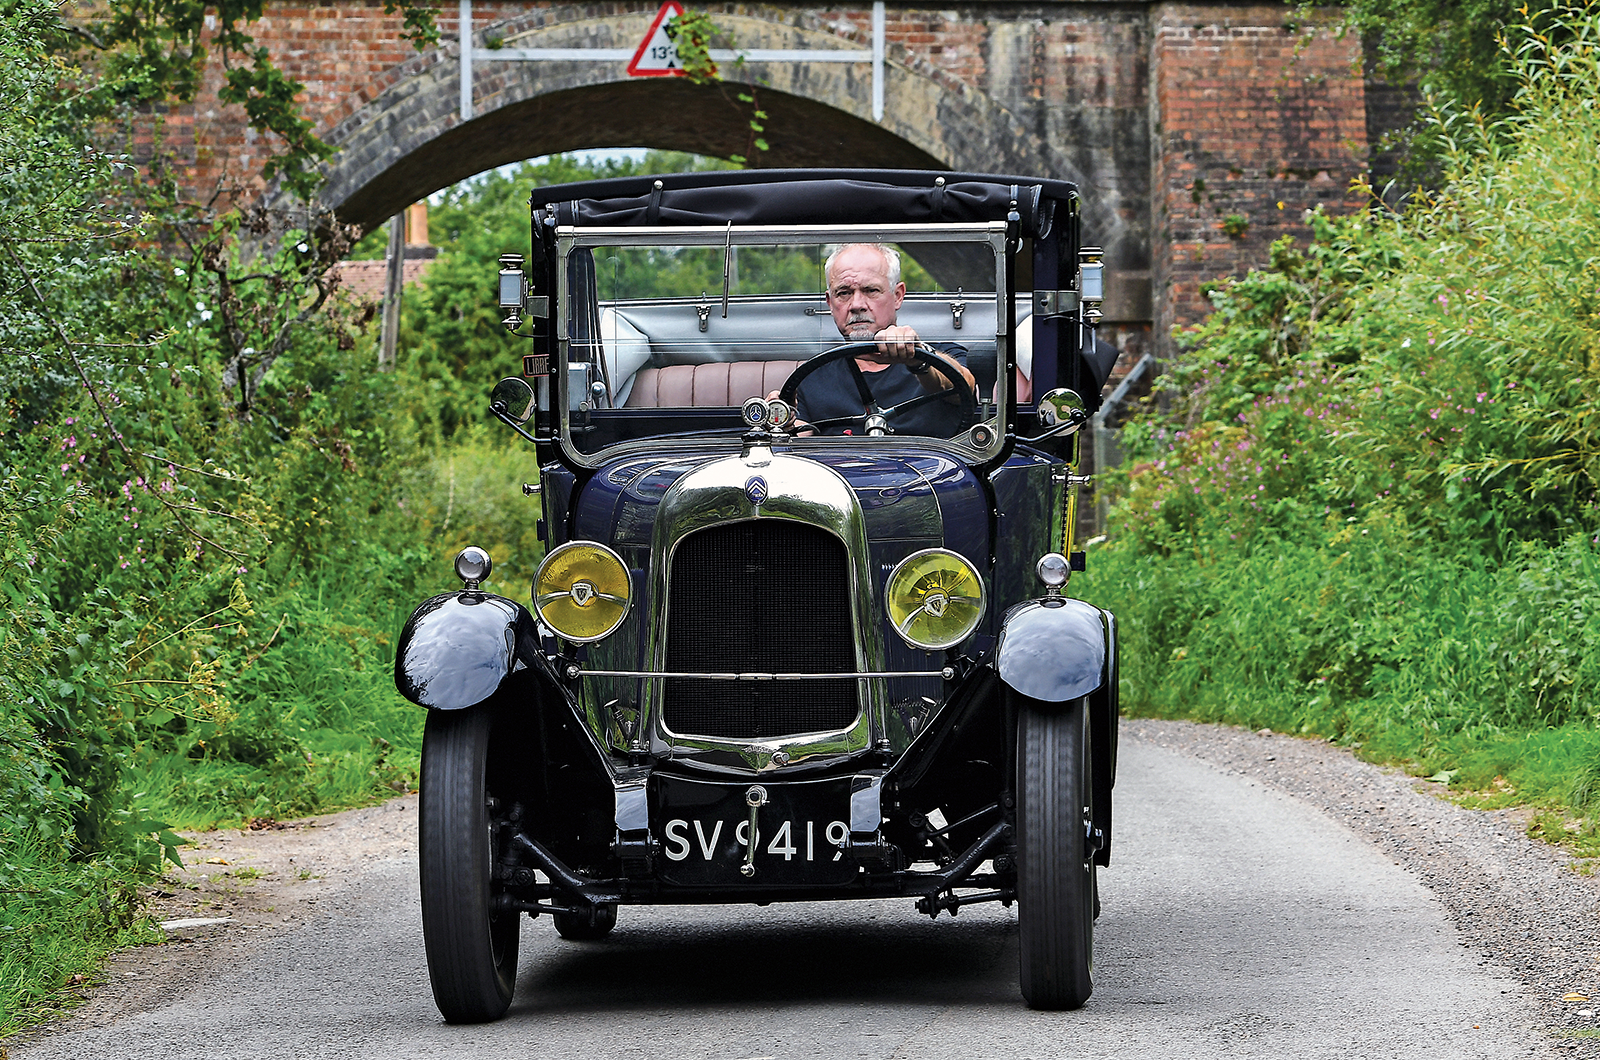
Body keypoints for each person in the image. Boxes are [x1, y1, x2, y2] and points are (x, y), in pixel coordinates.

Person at [775, 243, 977, 436]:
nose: (856, 304)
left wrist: (917, 358)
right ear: (830, 302)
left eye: (871, 291)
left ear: (897, 296)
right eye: (844, 293)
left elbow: (964, 387)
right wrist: (782, 421)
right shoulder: (812, 376)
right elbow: (800, 439)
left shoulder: (940, 356)